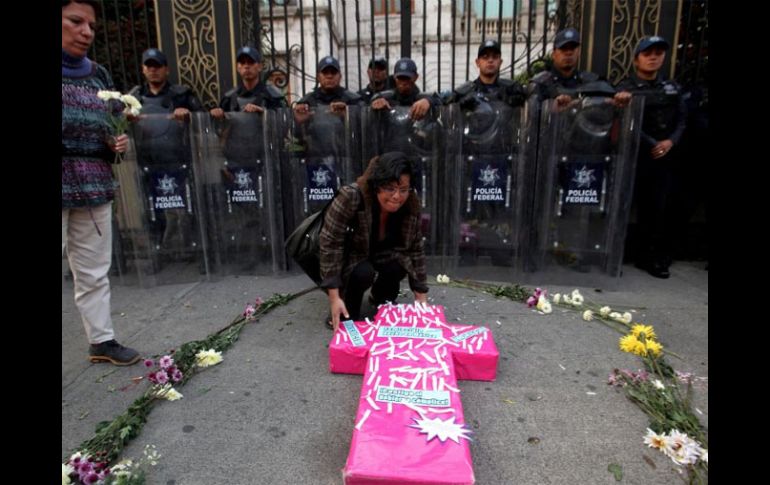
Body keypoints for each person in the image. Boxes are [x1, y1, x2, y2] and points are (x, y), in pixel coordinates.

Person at [62, 0, 140, 365]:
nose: (86, 32)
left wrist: (116, 142)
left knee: (93, 269)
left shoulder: (99, 75)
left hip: (94, 181)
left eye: (90, 25)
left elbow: (112, 122)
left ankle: (102, 340)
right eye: (76, 22)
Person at [320, 152, 429, 331]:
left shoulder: (411, 203)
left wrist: (421, 294)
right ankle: (345, 305)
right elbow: (330, 243)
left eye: (403, 190)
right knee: (363, 274)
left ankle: (381, 299)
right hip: (351, 257)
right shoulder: (351, 196)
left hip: (383, 253)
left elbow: (415, 248)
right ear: (377, 185)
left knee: (399, 263)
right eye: (390, 189)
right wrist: (334, 297)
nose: (396, 197)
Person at [616, 36, 687, 279]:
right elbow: (627, 123)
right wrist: (652, 142)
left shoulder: (671, 88)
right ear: (636, 60)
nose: (653, 57)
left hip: (664, 157)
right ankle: (616, 257)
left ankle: (650, 257)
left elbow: (682, 119)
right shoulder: (626, 90)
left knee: (656, 209)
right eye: (648, 53)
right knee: (624, 207)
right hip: (636, 155)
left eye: (658, 53)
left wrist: (670, 142)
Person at [128, 48, 204, 259]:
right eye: (149, 66)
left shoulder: (182, 94)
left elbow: (202, 120)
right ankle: (159, 251)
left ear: (166, 69)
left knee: (185, 208)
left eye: (157, 66)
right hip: (147, 162)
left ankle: (191, 249)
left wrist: (187, 115)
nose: (153, 70)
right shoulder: (134, 97)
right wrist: (127, 119)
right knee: (152, 209)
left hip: (178, 161)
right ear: (143, 69)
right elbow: (118, 125)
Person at [529, 28, 629, 109]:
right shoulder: (540, 84)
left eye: (572, 48)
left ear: (578, 53)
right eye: (563, 48)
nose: (568, 53)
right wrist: (552, 107)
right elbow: (532, 116)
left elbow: (612, 103)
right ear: (553, 54)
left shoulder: (591, 80)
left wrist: (619, 99)